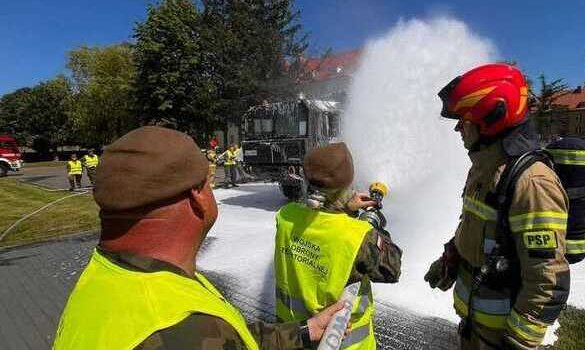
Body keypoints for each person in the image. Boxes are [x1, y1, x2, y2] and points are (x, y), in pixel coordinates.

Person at [53, 126, 347, 350]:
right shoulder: (182, 327)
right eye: (209, 183)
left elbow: (231, 336)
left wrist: (305, 332)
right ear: (198, 198)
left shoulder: (110, 276)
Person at [425, 64, 570, 350]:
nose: (457, 128)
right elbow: (482, 230)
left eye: (464, 121)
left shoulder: (533, 182)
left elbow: (547, 275)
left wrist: (520, 340)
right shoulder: (483, 170)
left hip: (501, 337)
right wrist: (453, 256)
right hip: (475, 324)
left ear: (491, 118)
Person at [274, 142, 403, 350]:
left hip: (292, 338)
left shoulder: (285, 216)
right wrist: (374, 224)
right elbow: (392, 269)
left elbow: (319, 221)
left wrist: (344, 209)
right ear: (347, 186)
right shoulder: (359, 236)